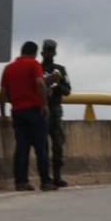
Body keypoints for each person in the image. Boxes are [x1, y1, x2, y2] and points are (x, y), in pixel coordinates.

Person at [0, 41, 57, 192]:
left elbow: (3, 93)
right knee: (41, 147)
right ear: (35, 53)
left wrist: (3, 113)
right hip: (34, 111)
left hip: (17, 112)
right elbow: (40, 83)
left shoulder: (8, 68)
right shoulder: (34, 64)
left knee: (21, 148)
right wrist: (44, 104)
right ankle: (45, 181)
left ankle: (21, 182)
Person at [41, 39, 72, 187]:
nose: (49, 53)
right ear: (42, 52)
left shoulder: (61, 69)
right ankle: (46, 176)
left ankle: (57, 176)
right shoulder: (37, 68)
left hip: (56, 108)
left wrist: (58, 84)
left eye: (51, 51)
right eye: (47, 50)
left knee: (58, 143)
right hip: (42, 109)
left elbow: (67, 91)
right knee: (43, 145)